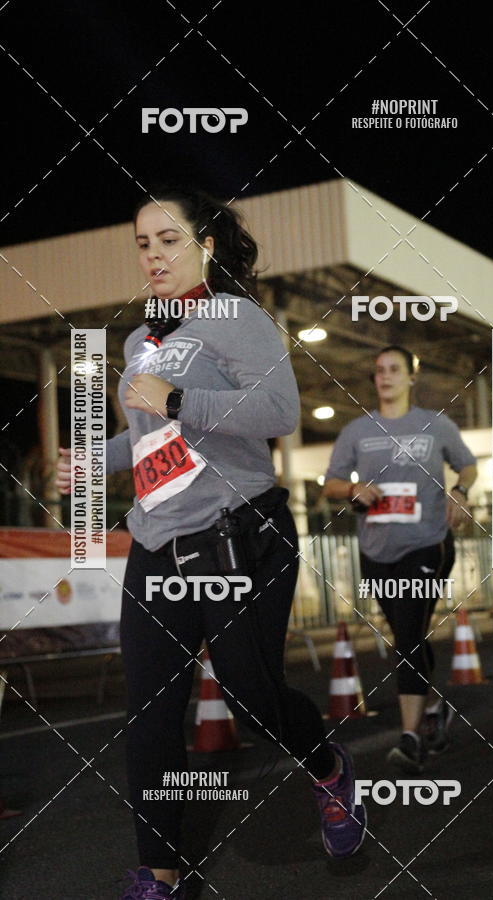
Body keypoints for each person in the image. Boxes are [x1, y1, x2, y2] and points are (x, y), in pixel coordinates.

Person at [55, 186, 366, 899]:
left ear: (207, 244)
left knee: (253, 701)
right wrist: (92, 461)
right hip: (158, 545)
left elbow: (278, 411)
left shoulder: (235, 317)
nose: (154, 255)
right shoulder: (139, 341)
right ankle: (159, 876)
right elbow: (149, 438)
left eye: (169, 240)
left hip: (241, 537)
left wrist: (174, 398)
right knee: (151, 715)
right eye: (143, 243)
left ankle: (328, 769)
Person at [322, 345, 477, 772]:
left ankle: (409, 739)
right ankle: (434, 709)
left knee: (409, 634)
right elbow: (331, 483)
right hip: (376, 550)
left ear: (411, 376)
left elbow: (468, 466)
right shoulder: (357, 431)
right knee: (407, 634)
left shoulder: (435, 425)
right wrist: (352, 490)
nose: (385, 377)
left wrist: (460, 491)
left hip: (427, 544)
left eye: (394, 370)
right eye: (379, 371)